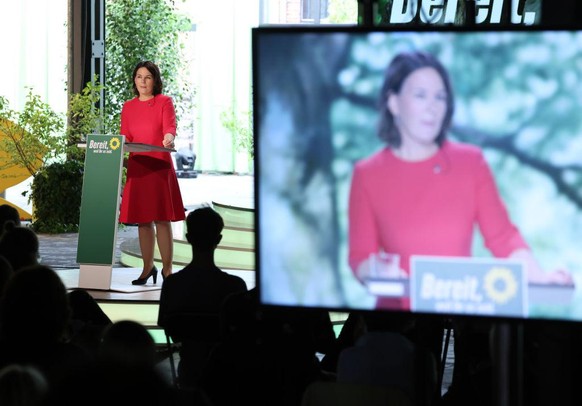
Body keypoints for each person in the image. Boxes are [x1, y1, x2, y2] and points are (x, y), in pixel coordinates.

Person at [347, 51, 574, 405]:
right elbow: (360, 256)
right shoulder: (367, 172)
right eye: (420, 95)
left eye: (440, 96)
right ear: (393, 101)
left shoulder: (470, 162)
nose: (432, 107)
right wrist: (375, 269)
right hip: (396, 318)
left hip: (459, 303)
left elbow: (502, 235)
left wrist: (538, 277)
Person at [157, 206, 248, 388]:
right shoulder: (235, 286)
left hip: (188, 372)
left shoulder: (173, 284)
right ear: (218, 239)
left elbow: (169, 329)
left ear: (189, 238)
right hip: (225, 376)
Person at [119, 60, 185, 285]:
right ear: (134, 80)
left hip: (158, 164)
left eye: (147, 77)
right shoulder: (128, 106)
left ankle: (168, 270)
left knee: (162, 219)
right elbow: (126, 136)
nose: (143, 81)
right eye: (139, 77)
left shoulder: (164, 101)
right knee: (143, 221)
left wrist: (169, 138)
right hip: (138, 166)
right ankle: (147, 268)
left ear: (155, 80)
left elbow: (170, 127)